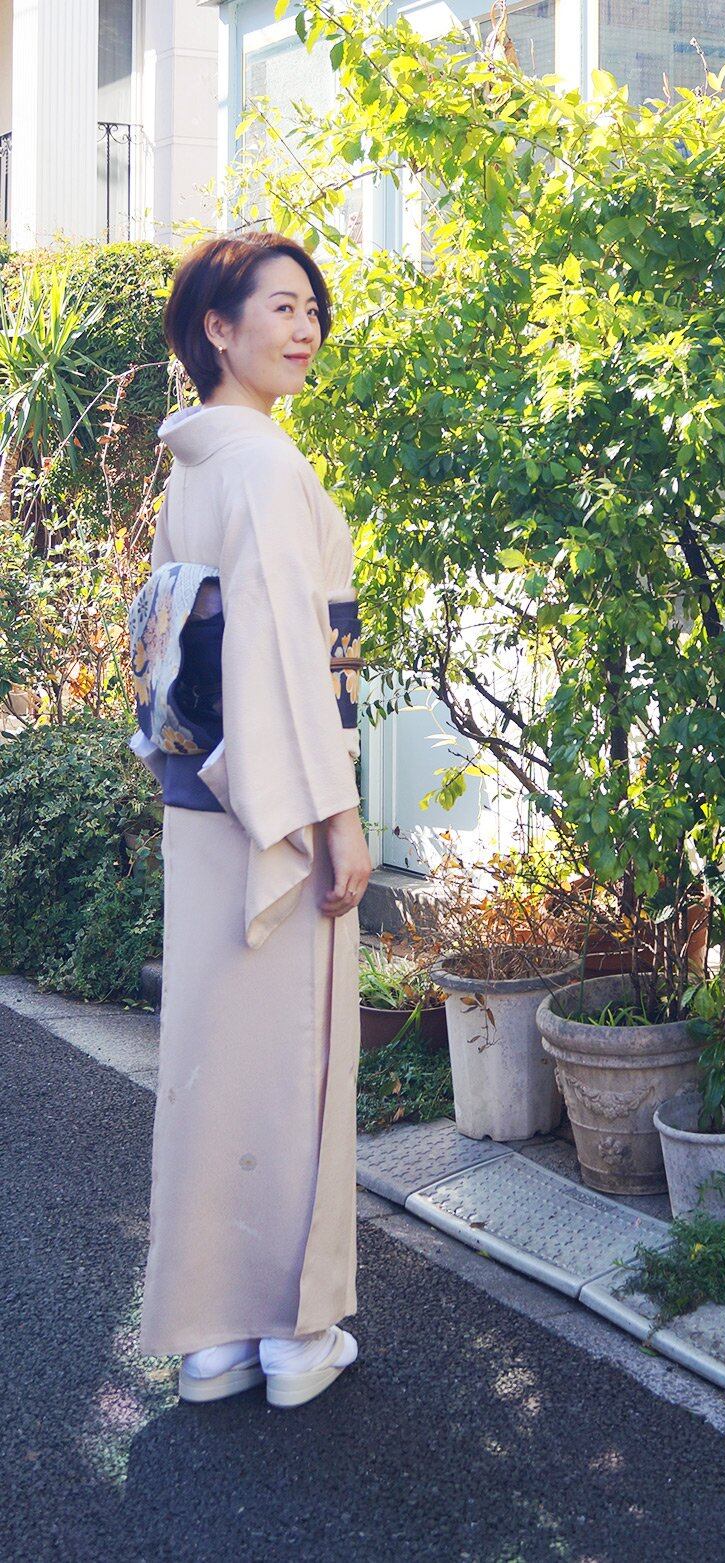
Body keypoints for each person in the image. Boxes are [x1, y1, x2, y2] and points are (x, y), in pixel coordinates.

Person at [133, 232, 372, 1410]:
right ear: (216, 330)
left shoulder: (195, 464)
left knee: (210, 1066)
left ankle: (209, 1337)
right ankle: (294, 1332)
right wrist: (339, 816)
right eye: (280, 307)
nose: (305, 327)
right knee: (294, 1066)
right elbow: (286, 654)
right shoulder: (266, 466)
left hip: (205, 795)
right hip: (277, 800)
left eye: (312, 307)